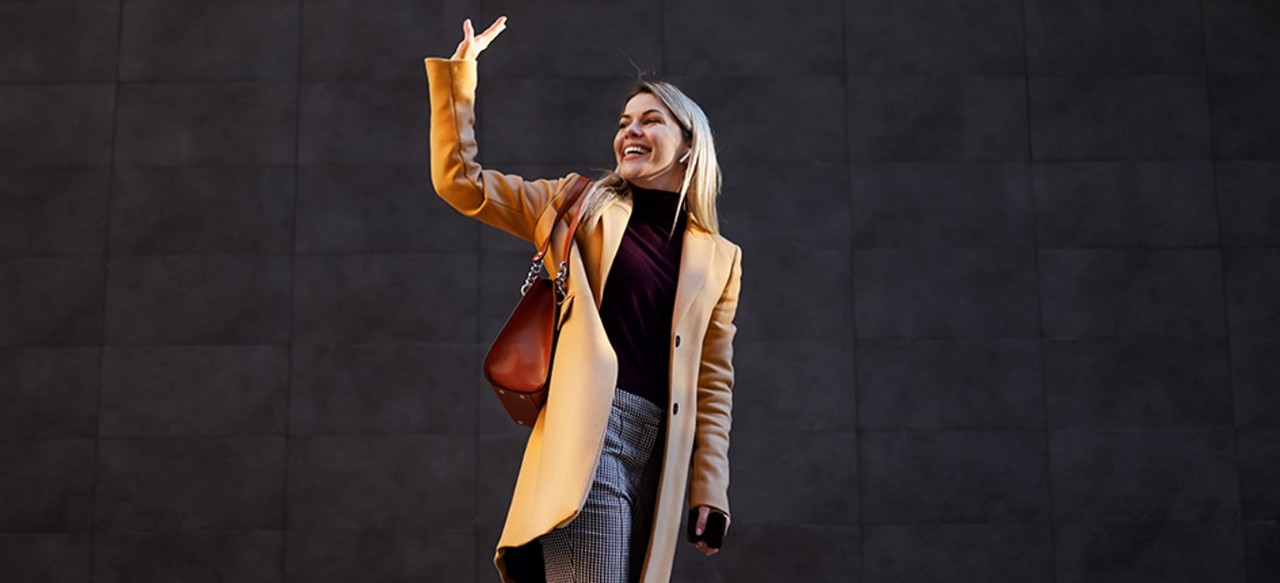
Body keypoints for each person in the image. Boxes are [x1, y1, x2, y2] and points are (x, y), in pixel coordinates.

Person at [425, 16, 743, 583]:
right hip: (591, 435)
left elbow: (713, 382)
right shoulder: (579, 204)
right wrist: (461, 77)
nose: (630, 132)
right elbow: (461, 184)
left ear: (689, 142)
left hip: (660, 457)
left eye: (650, 120)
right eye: (624, 122)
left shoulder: (720, 258)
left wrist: (708, 488)